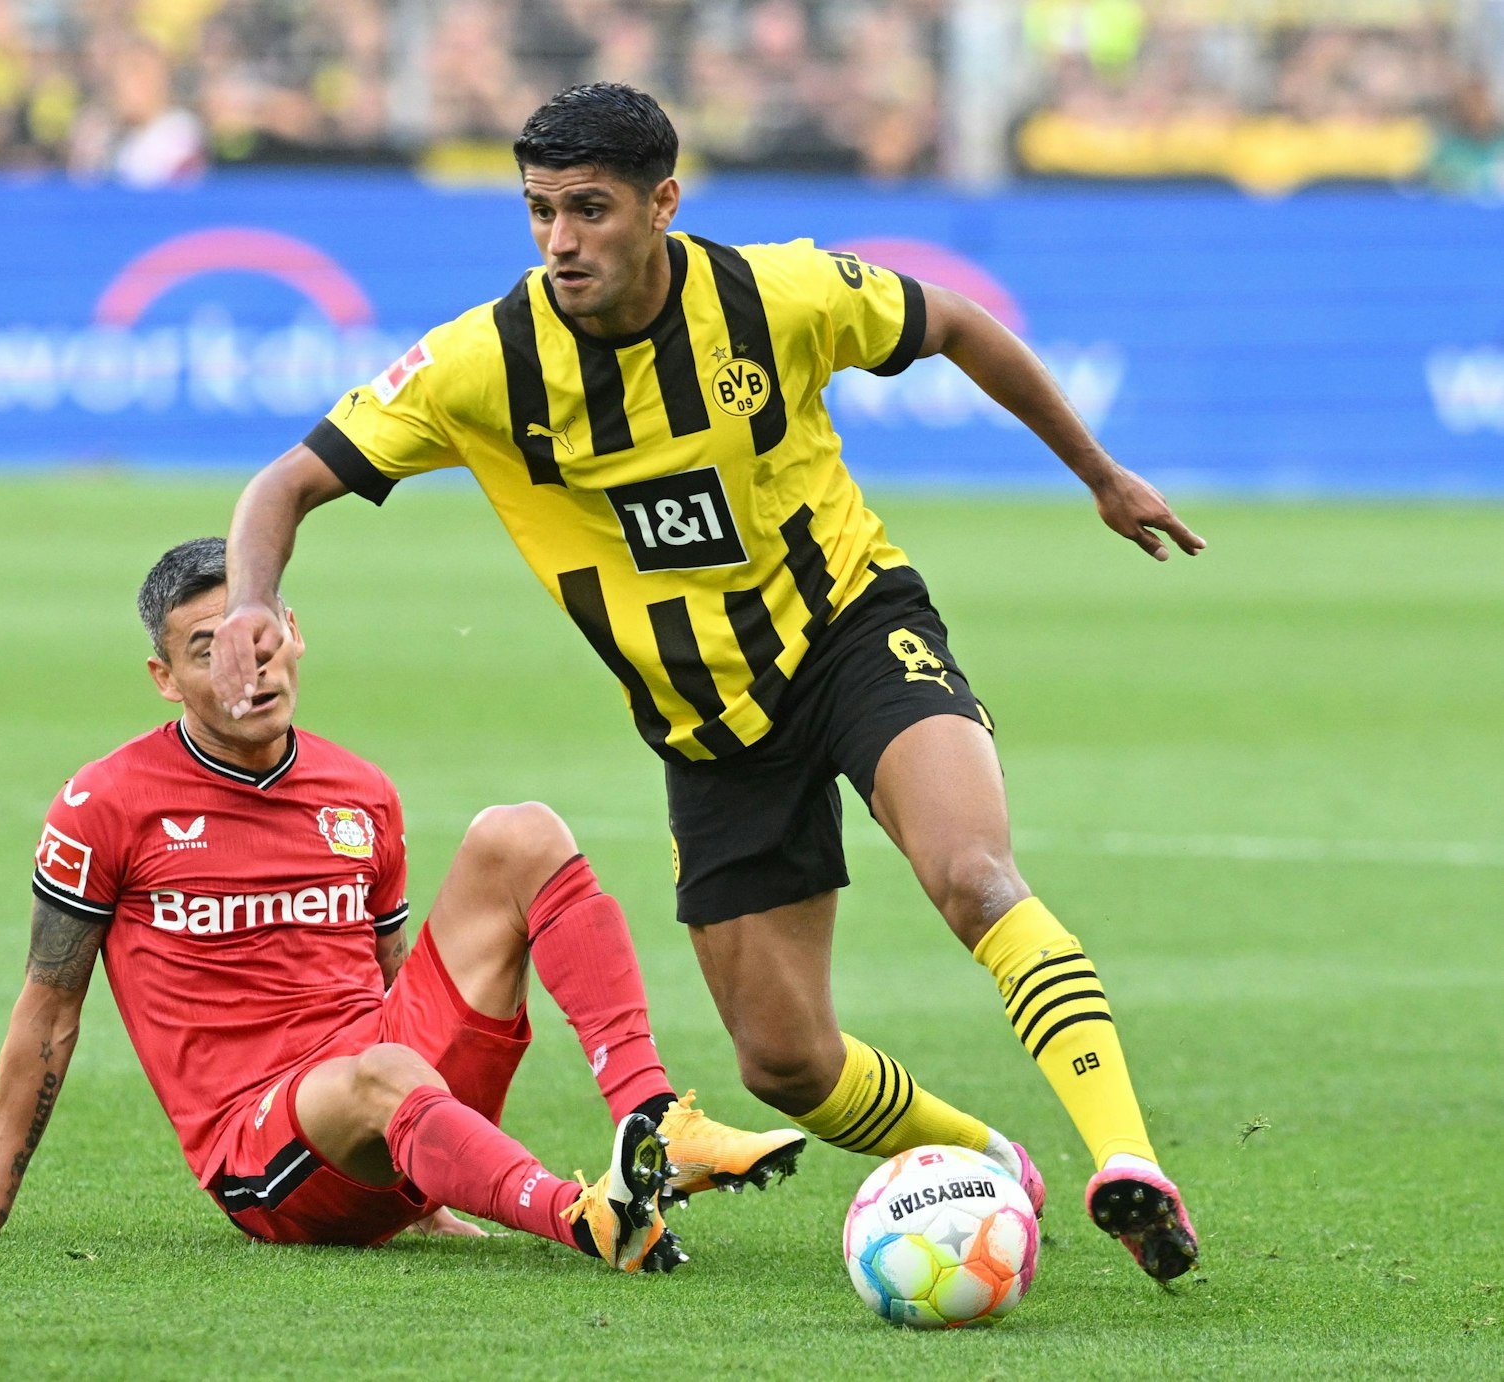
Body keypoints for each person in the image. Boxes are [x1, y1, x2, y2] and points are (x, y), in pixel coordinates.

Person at [212, 83, 1203, 1281]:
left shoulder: (776, 295)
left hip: (849, 631)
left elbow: (954, 323)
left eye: (589, 209)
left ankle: (1126, 1156)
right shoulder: (481, 364)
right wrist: (253, 598)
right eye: (539, 211)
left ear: (662, 204)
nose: (560, 239)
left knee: (970, 873)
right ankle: (991, 1161)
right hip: (706, 726)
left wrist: (1098, 472)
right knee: (784, 1060)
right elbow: (284, 484)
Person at [0, 537, 810, 1272]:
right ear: (165, 677)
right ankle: (584, 1217)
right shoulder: (105, 803)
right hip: (263, 1153)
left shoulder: (359, 792)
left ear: (293, 632)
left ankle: (656, 1118)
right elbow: (50, 1006)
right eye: (206, 651)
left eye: (257, 637)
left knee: (520, 833)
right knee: (383, 1070)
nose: (246, 669)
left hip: (388, 1094)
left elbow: (391, 978)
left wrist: (432, 1177)